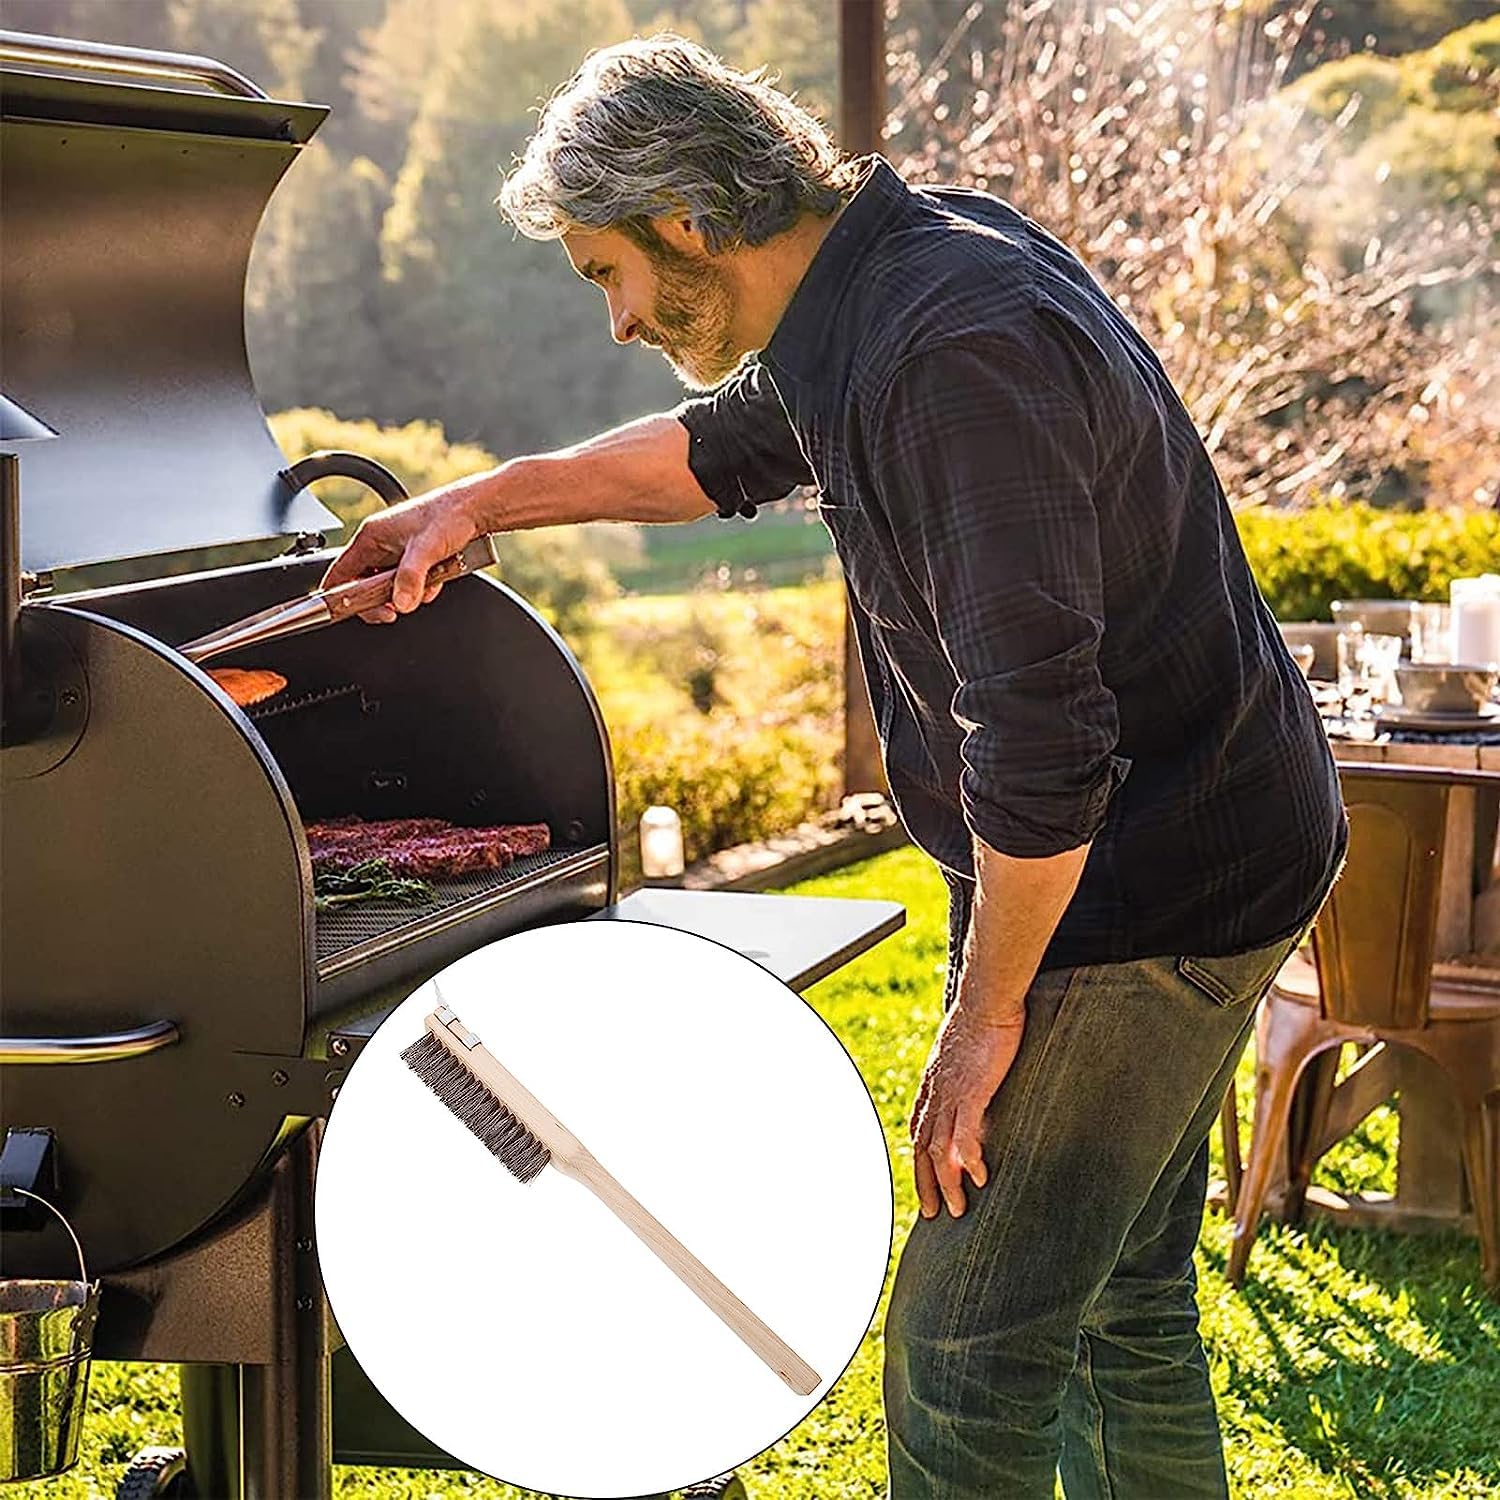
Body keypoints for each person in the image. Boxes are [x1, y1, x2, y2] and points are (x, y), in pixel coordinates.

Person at [322, 34, 1347, 1499]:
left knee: (967, 1350)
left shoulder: (950, 353)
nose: (612, 320)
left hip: (1151, 893)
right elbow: (708, 456)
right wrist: (476, 504)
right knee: (1122, 1306)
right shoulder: (883, 278)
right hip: (1225, 835)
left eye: (604, 272)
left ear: (687, 221)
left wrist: (983, 1022)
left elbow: (1046, 746)